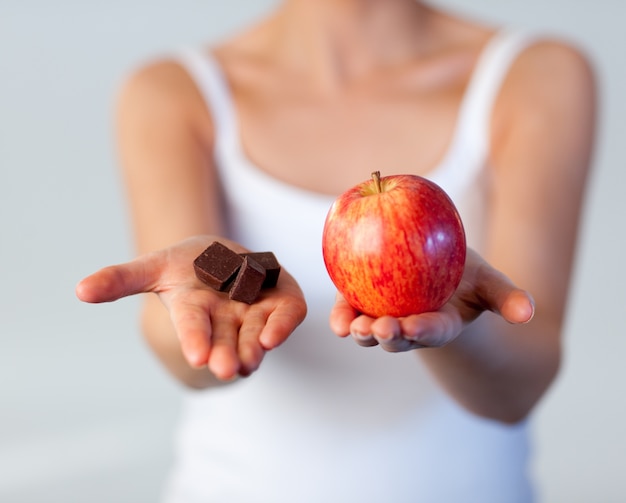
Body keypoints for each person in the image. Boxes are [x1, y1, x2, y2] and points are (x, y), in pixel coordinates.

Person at [76, 0, 595, 501]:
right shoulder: (169, 91)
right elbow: (184, 359)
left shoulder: (539, 75)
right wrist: (210, 318)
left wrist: (450, 308)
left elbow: (518, 391)